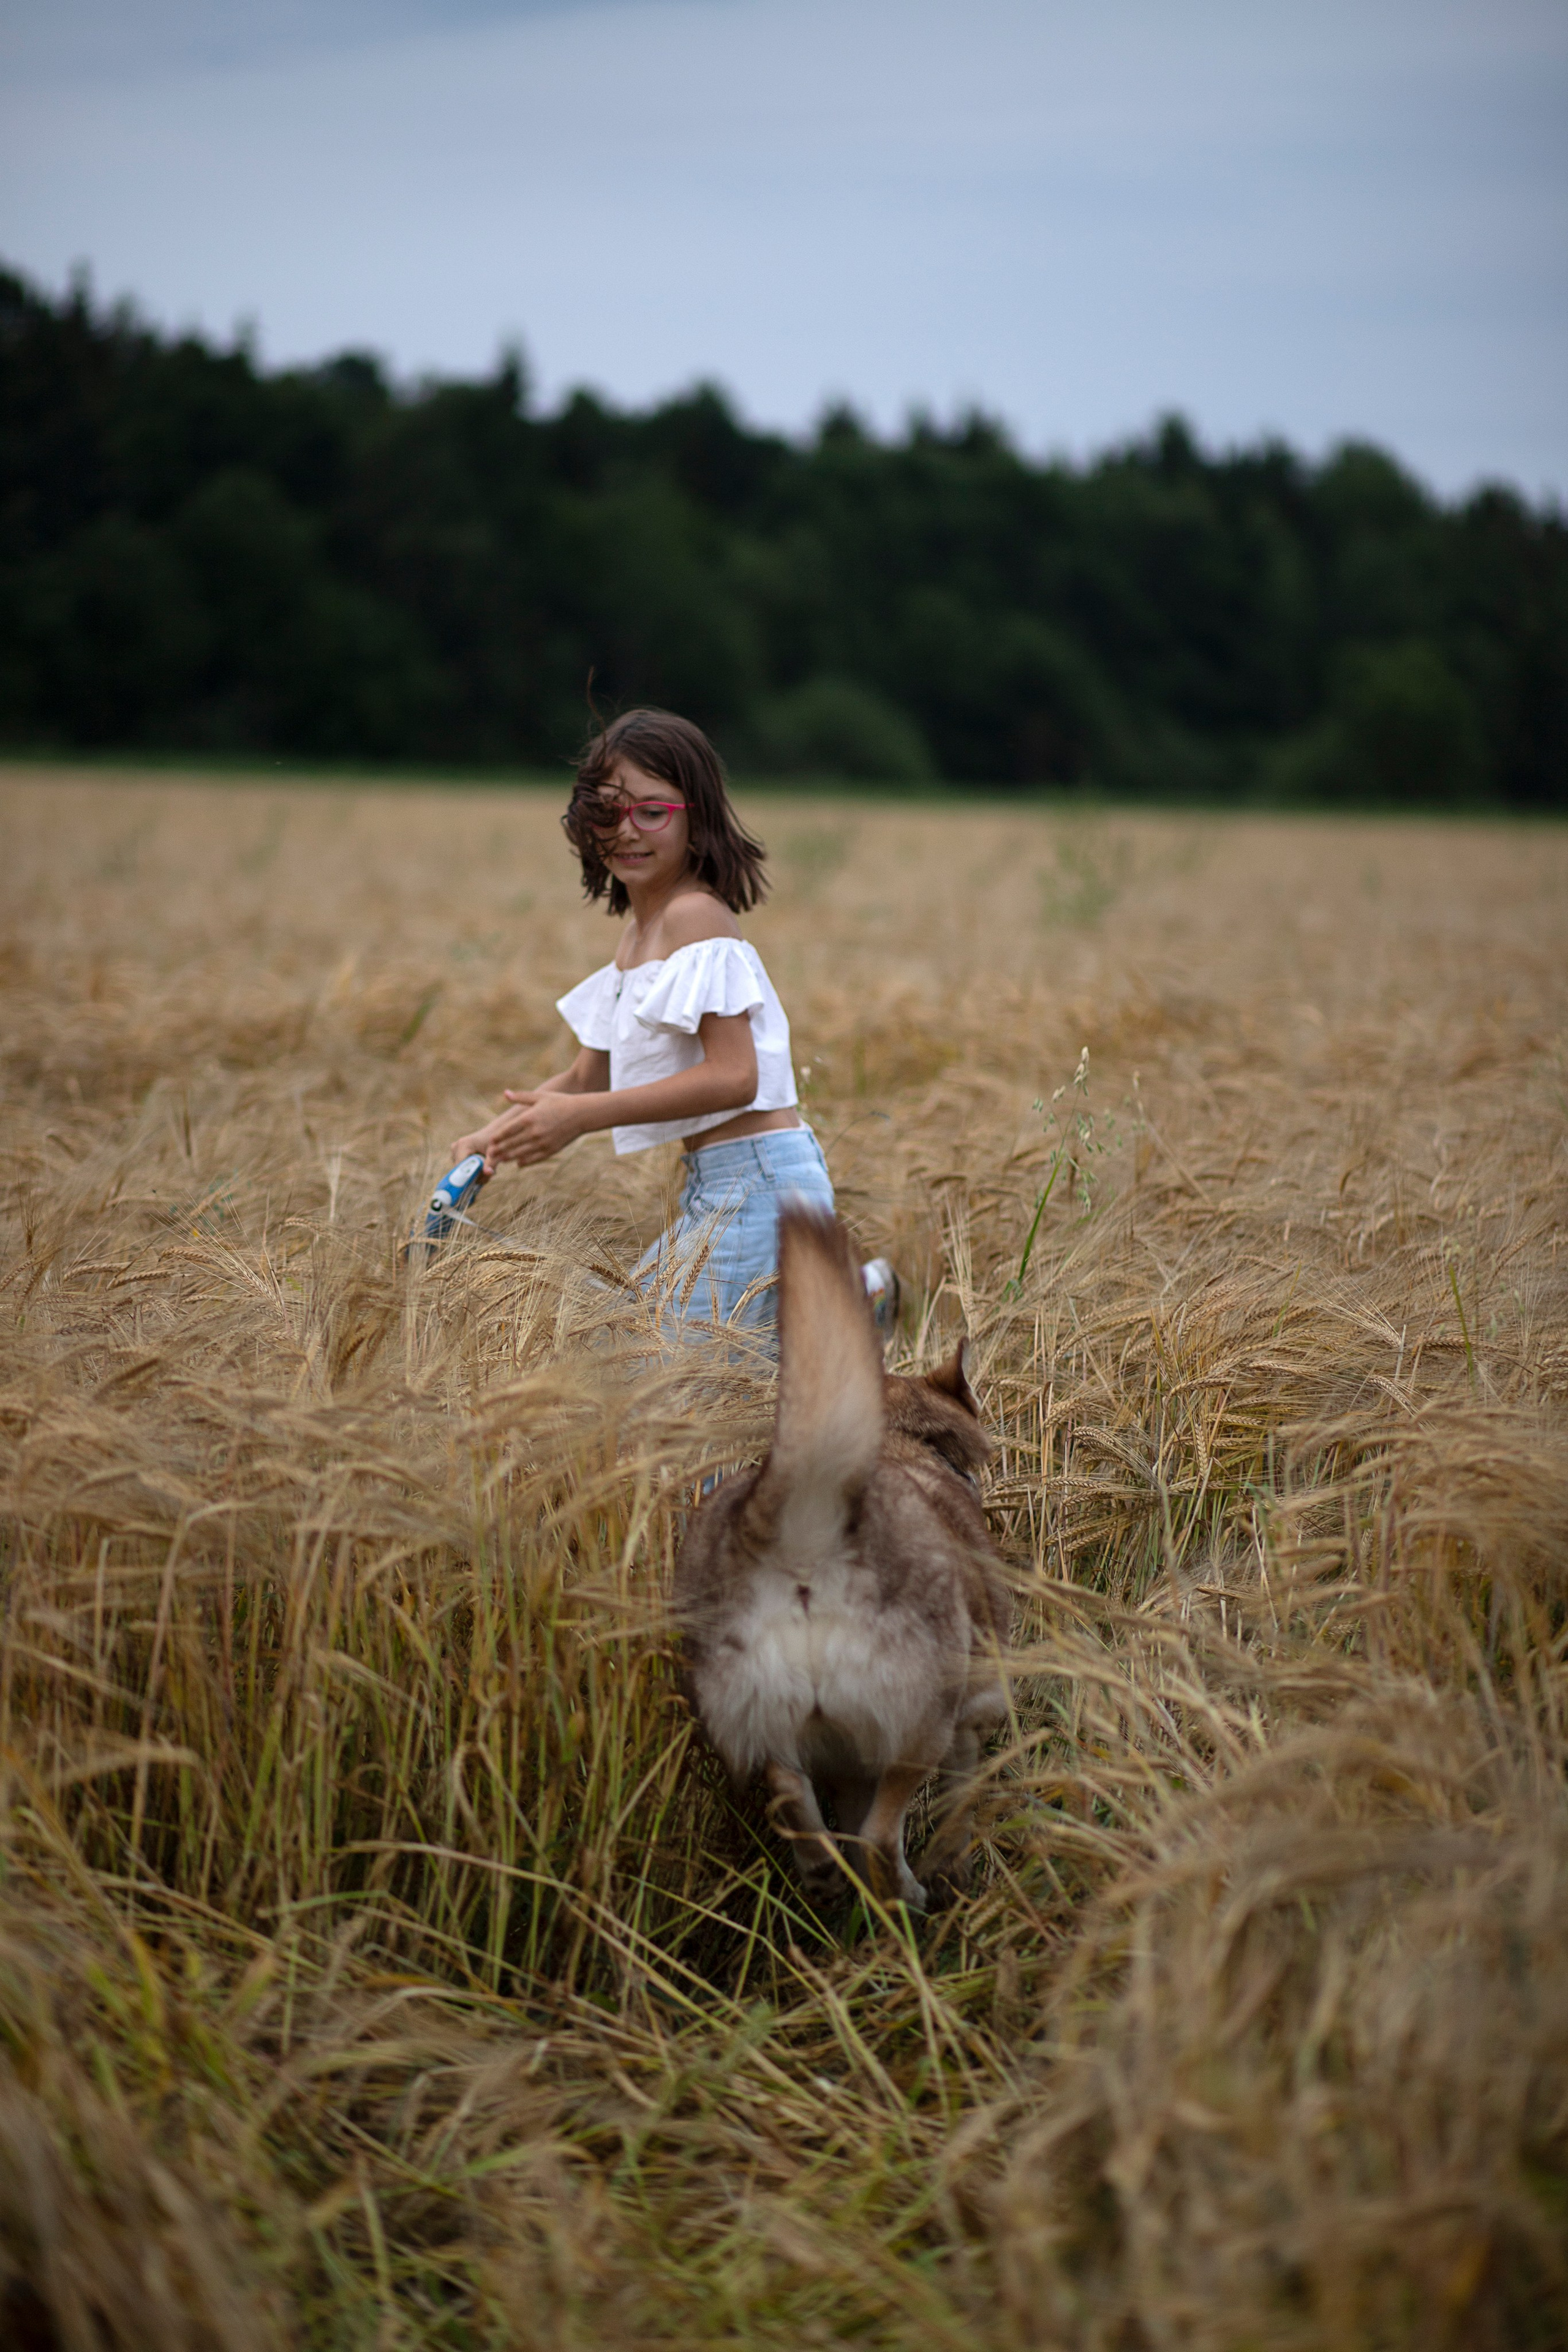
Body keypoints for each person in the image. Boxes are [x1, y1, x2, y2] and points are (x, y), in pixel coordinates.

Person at [451, 707, 897, 1350]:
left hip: (760, 1186)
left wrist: (581, 1120)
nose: (627, 832)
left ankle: (850, 1311)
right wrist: (493, 1137)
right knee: (638, 1354)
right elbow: (585, 1076)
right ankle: (848, 1303)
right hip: (717, 1187)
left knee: (667, 1382)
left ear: (698, 817)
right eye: (608, 812)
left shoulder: (697, 918)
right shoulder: (637, 937)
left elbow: (735, 1077)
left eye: (652, 812)